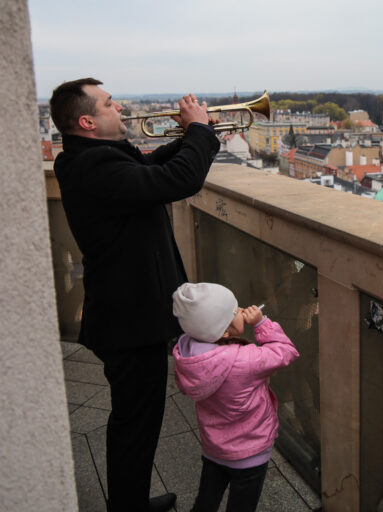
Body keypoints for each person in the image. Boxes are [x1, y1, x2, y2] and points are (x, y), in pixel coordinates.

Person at [50, 78, 220, 512]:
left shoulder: (90, 158)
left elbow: (148, 167)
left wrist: (195, 134)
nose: (121, 107)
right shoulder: (94, 167)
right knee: (134, 423)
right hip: (129, 319)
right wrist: (198, 133)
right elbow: (177, 180)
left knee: (136, 419)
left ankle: (130, 502)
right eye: (109, 104)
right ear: (87, 120)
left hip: (125, 311)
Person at [171, 282, 299, 512]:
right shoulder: (245, 359)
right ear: (226, 331)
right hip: (250, 452)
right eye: (235, 310)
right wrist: (262, 323)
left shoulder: (187, 354)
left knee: (206, 500)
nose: (242, 310)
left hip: (214, 447)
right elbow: (286, 351)